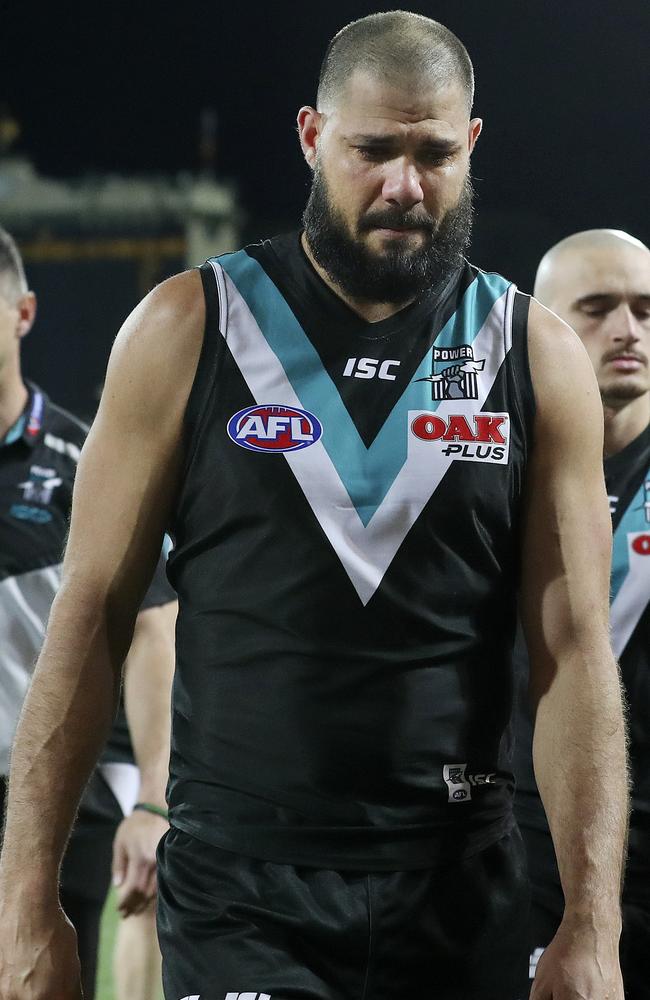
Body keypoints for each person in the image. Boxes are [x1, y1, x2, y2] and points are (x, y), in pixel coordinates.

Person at [0, 12, 629, 1000]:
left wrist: (591, 924)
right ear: (310, 135)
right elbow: (88, 618)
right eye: (371, 150)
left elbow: (573, 652)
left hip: (458, 891)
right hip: (241, 891)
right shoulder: (184, 327)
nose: (401, 187)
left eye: (431, 154)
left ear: (470, 144)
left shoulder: (531, 351)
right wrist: (28, 904)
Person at [0, 225, 175, 997]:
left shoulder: (84, 467)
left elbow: (152, 632)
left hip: (53, 798)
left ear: (23, 314)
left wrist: (155, 797)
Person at [514, 228, 650, 999]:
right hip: (526, 861)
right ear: (545, 325)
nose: (628, 330)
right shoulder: (485, 472)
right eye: (597, 309)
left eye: (646, 309)